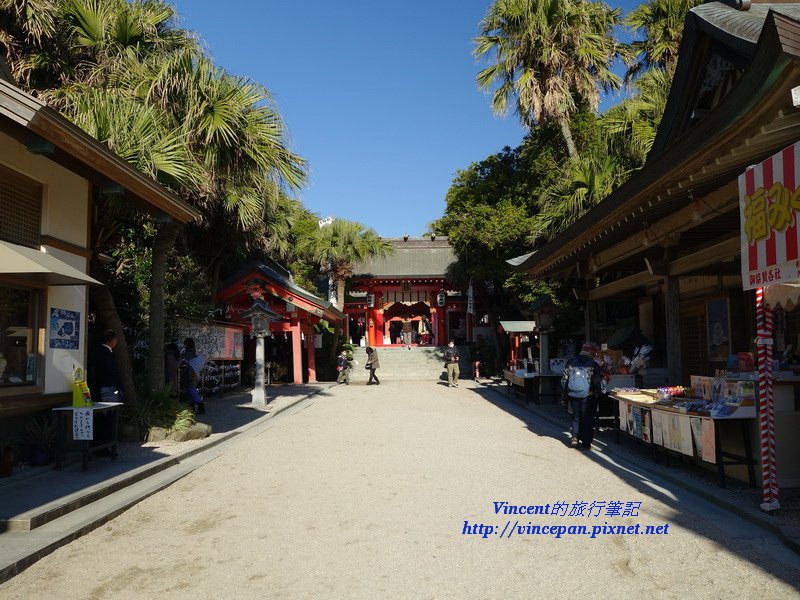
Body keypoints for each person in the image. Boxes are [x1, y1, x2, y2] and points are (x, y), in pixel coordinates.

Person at [562, 342, 604, 450]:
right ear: (591, 352)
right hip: (588, 395)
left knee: (576, 417)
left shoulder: (571, 362)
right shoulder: (593, 364)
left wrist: (566, 392)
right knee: (588, 419)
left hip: (573, 393)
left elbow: (564, 378)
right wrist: (597, 393)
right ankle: (586, 443)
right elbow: (597, 381)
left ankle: (575, 438)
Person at [89, 329, 121, 402]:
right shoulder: (108, 354)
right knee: (110, 410)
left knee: (101, 410)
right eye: (115, 340)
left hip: (98, 385)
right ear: (113, 340)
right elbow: (111, 371)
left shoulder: (96, 351)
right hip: (109, 387)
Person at [181, 338, 206, 414]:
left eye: (185, 343)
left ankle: (201, 408)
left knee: (191, 390)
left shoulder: (189, 352)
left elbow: (187, 360)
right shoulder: (194, 351)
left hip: (190, 373)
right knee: (190, 390)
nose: (184, 344)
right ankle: (193, 408)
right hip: (193, 372)